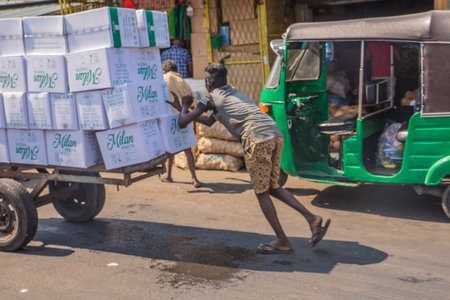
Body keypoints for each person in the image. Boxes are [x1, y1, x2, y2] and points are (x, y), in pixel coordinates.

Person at [167, 64, 330, 254]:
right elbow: (208, 121)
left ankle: (282, 240)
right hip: (274, 134)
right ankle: (312, 219)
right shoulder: (232, 92)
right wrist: (185, 110)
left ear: (208, 83)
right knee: (272, 187)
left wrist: (185, 105)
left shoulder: (210, 97)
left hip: (257, 140)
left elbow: (181, 122)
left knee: (262, 193)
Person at [159, 60, 202, 188]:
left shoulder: (160, 79)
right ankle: (194, 178)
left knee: (170, 148)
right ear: (175, 69)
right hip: (182, 117)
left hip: (167, 119)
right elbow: (191, 99)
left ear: (164, 70)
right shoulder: (180, 80)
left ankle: (168, 174)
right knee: (187, 148)